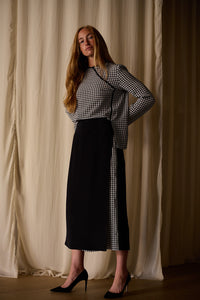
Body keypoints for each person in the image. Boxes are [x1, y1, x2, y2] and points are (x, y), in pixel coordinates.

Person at [50, 25, 155, 298]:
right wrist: (80, 123)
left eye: (90, 38)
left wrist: (119, 122)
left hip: (105, 143)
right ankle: (76, 268)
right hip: (82, 142)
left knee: (113, 204)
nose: (85, 43)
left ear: (98, 40)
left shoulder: (114, 71)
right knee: (76, 204)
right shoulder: (79, 75)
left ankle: (121, 273)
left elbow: (146, 96)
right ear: (78, 47)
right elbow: (69, 106)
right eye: (81, 40)